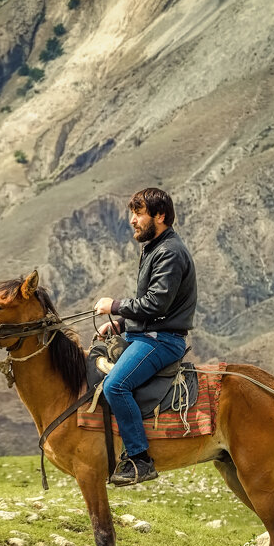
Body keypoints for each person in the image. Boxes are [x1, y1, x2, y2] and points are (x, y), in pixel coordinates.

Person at [93, 187, 197, 486]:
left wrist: (114, 306)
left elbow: (157, 303)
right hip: (148, 335)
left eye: (138, 213)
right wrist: (121, 325)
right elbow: (153, 308)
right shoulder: (155, 248)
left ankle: (139, 459)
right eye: (132, 213)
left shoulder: (169, 253)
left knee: (116, 386)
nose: (132, 220)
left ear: (160, 216)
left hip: (161, 341)